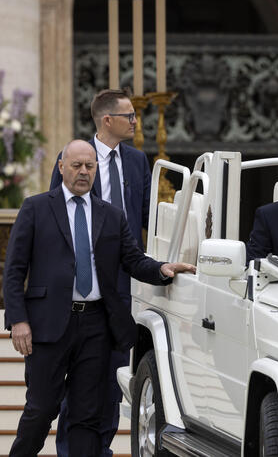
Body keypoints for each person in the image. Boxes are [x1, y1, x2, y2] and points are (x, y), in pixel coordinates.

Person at [2, 140, 195, 457]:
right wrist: (18, 320)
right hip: (46, 325)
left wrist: (162, 268)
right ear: (61, 166)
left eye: (89, 166)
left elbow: (133, 260)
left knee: (86, 415)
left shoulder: (111, 215)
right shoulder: (35, 208)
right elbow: (14, 270)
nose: (83, 172)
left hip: (96, 325)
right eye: (76, 165)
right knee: (41, 408)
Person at [49, 88, 152, 456]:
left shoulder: (138, 161)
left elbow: (148, 217)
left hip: (124, 283)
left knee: (112, 377)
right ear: (107, 120)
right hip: (84, 287)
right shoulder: (71, 159)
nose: (135, 121)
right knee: (78, 381)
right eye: (129, 115)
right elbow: (54, 220)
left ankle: (102, 449)